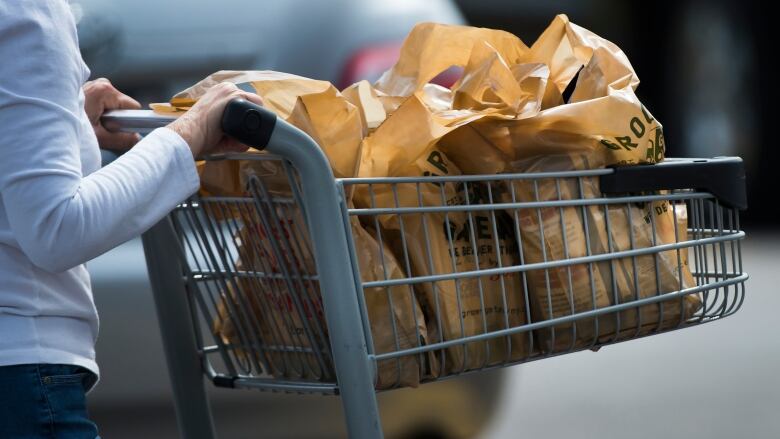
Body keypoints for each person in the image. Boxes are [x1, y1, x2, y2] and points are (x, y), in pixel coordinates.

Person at [0, 1, 264, 437]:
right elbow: (56, 229)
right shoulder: (28, 13)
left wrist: (60, 123)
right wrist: (191, 131)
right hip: (21, 376)